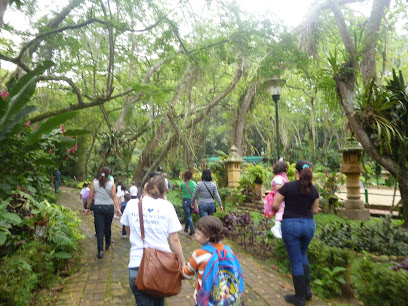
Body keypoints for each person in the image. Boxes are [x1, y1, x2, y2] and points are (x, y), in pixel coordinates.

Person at [120, 175, 185, 305]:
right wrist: (182, 263)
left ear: (146, 187)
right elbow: (175, 240)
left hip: (137, 266)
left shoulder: (132, 204)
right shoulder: (167, 206)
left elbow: (128, 230)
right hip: (162, 267)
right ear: (164, 191)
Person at [273, 160, 319, 305]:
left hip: (291, 226)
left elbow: (275, 204)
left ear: (296, 172)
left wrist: (276, 212)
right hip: (309, 226)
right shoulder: (314, 189)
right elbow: (315, 210)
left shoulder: (288, 187)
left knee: (296, 260)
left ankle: (299, 297)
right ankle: (307, 291)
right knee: (302, 254)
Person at [182, 216, 239, 304]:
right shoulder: (229, 251)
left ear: (208, 237)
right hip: (224, 298)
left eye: (198, 233)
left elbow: (187, 274)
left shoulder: (198, 254)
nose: (195, 235)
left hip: (204, 299)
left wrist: (181, 270)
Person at [87, 167, 121, 259]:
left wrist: (88, 208)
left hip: (98, 208)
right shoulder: (112, 184)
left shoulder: (94, 183)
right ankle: (108, 243)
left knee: (99, 229)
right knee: (107, 227)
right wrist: (118, 208)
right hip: (109, 208)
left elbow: (90, 197)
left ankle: (100, 251)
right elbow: (114, 197)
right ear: (108, 174)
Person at [270, 160, 289, 239]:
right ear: (285, 169)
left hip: (281, 198)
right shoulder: (279, 178)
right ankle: (276, 227)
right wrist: (286, 185)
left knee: (282, 211)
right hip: (279, 198)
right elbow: (278, 187)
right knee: (280, 211)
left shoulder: (281, 177)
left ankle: (279, 228)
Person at [179, 170, 197, 235]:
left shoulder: (182, 184)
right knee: (189, 215)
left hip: (185, 201)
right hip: (192, 201)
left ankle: (192, 228)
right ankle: (186, 228)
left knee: (188, 215)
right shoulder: (194, 183)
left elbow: (180, 190)